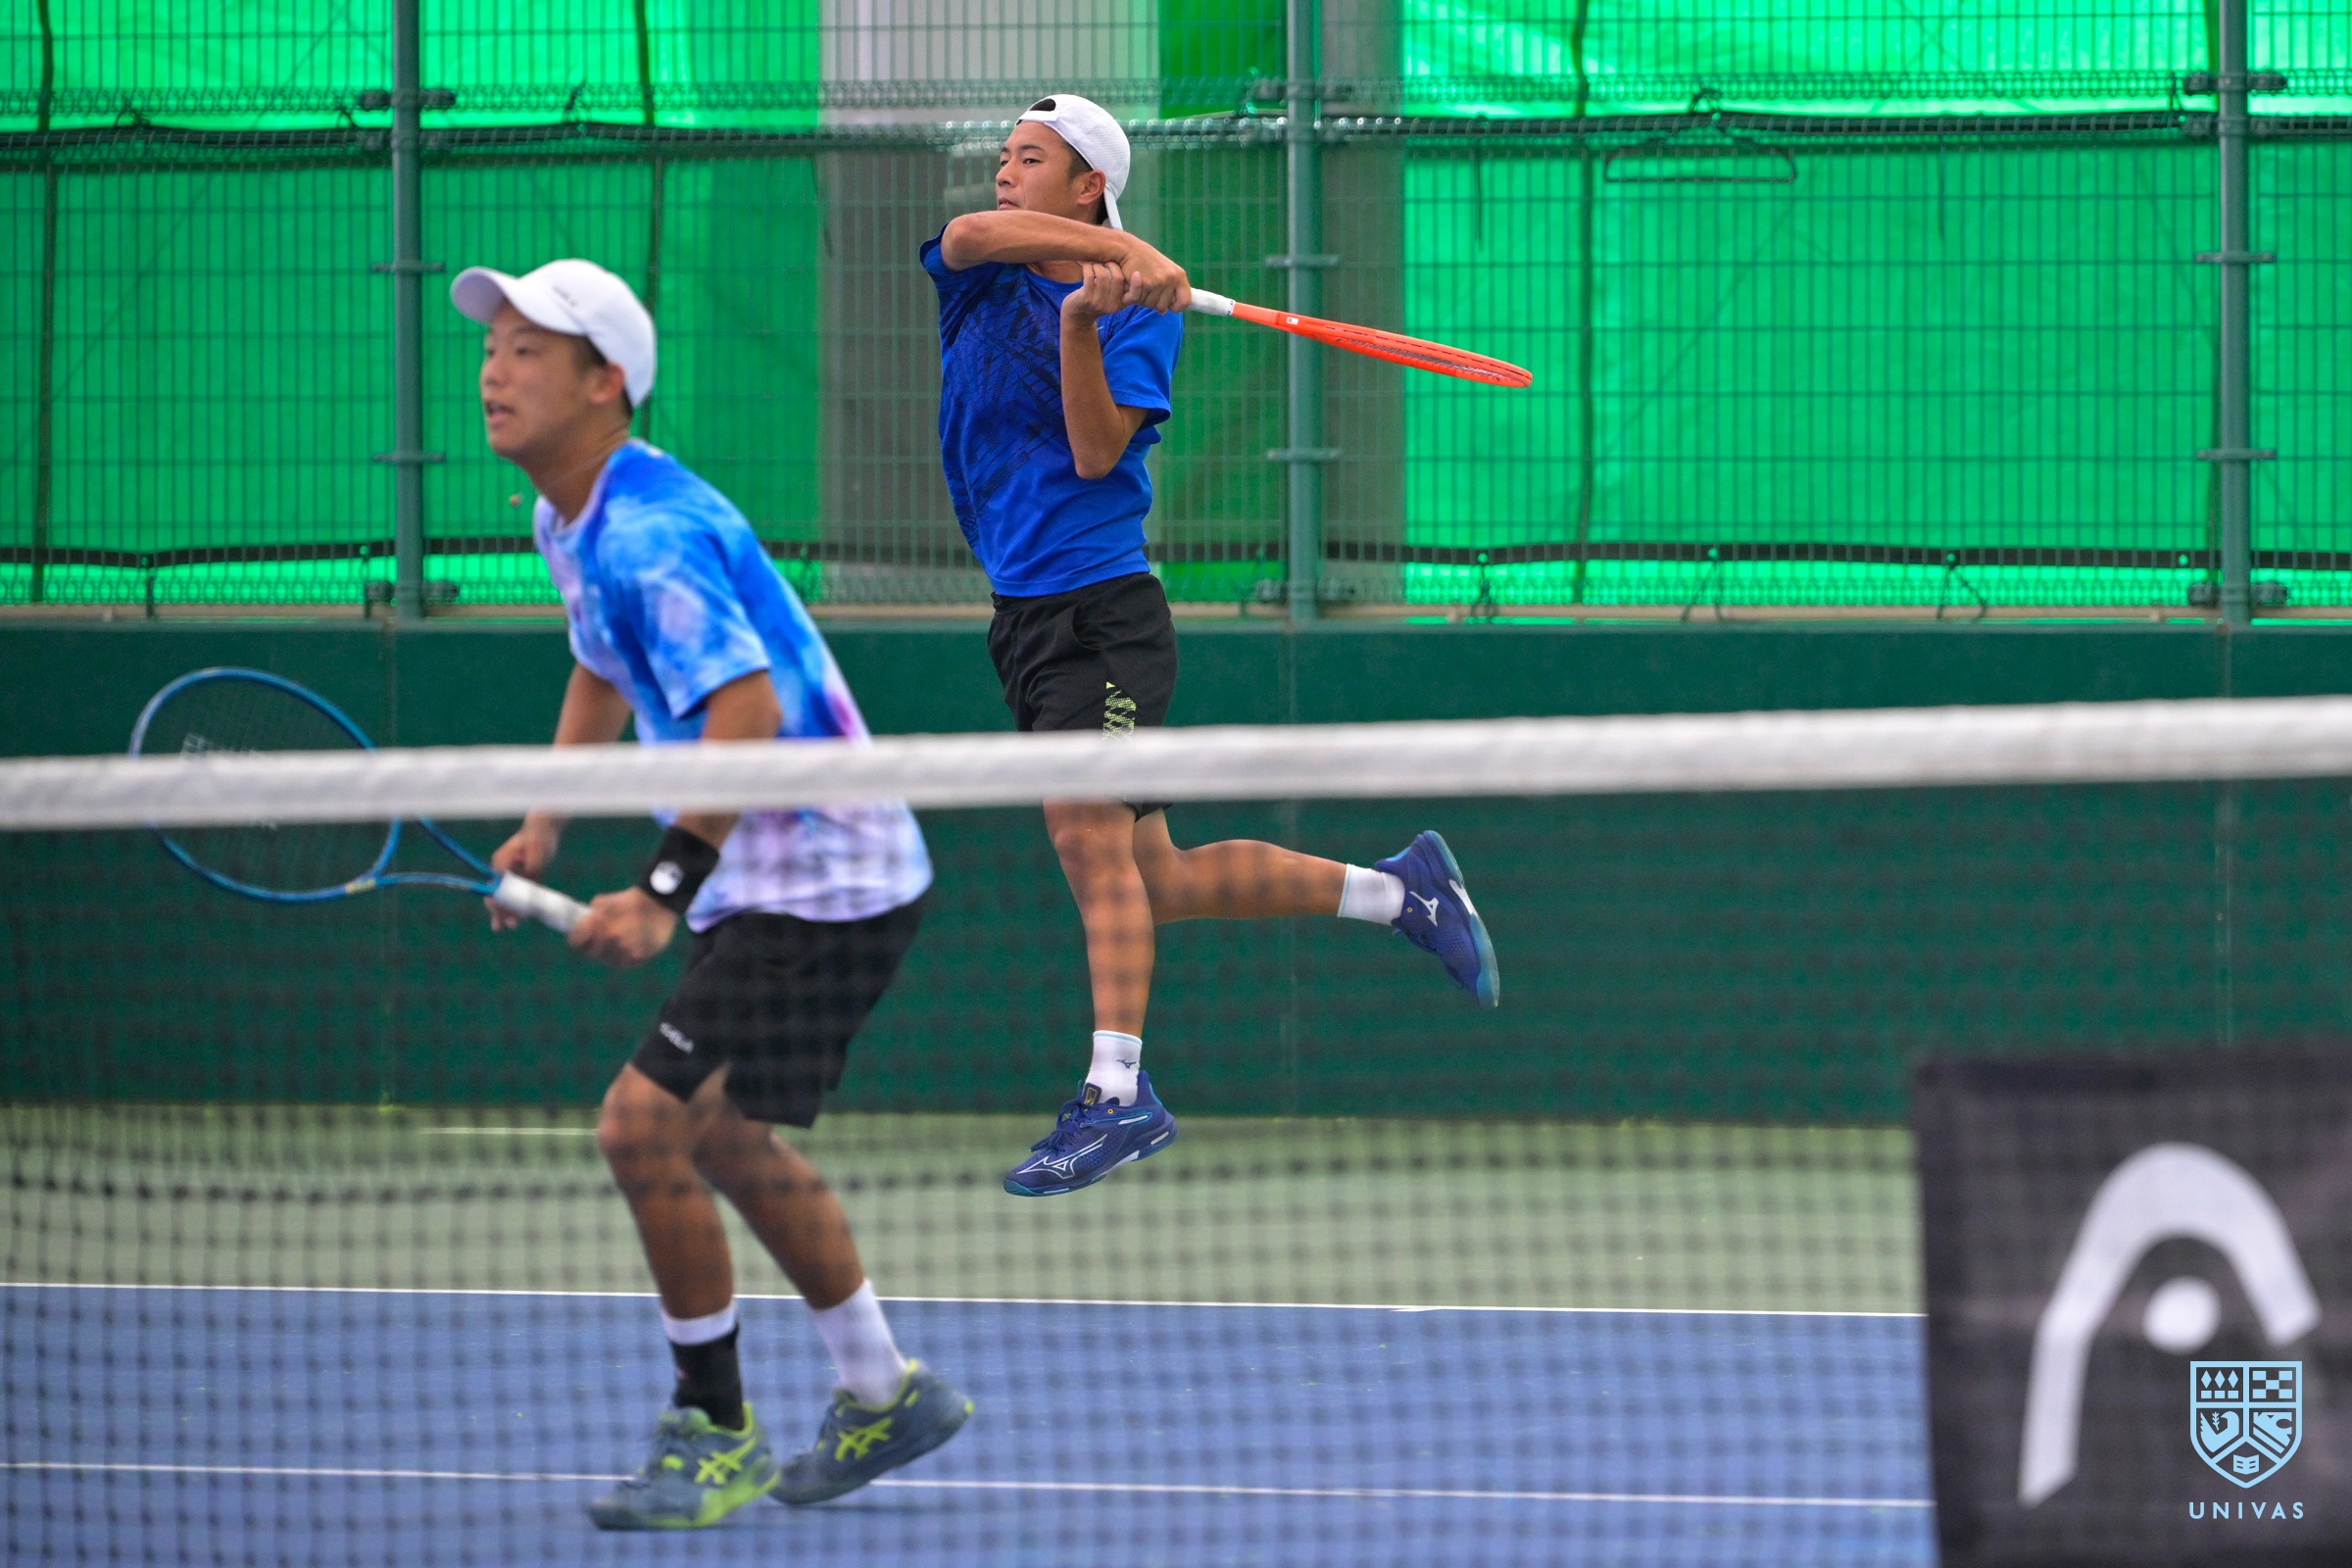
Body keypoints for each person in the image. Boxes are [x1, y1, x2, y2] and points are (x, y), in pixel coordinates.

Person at [452, 258, 970, 1530]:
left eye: (527, 350)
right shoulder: (571, 519)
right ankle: (884, 1390)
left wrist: (658, 891)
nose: (494, 371)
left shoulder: (652, 531)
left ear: (605, 384)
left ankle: (715, 1430)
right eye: (492, 347)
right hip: (780, 876)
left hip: (823, 876)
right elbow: (602, 664)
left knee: (640, 1130)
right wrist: (547, 820)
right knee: (724, 1136)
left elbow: (744, 707)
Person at [922, 96, 1501, 1200]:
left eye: (1029, 159)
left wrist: (1085, 320)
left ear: (1088, 181)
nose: (1003, 172)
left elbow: (1096, 455)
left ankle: (1117, 1092)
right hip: (1023, 618)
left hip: (1101, 615)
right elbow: (970, 234)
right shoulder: (984, 275)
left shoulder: (1146, 316)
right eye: (1003, 155)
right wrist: (1122, 254)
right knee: (1158, 879)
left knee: (1085, 835)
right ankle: (1403, 894)